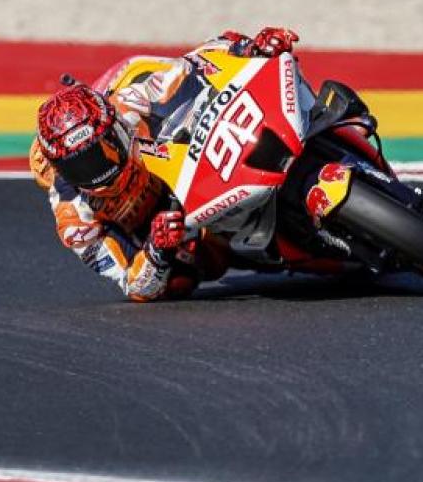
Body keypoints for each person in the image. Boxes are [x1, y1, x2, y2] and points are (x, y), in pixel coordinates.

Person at [29, 28, 300, 301]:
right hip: (172, 226)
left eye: (102, 153)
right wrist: (156, 251)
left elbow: (196, 62)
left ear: (115, 130)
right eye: (79, 167)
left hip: (189, 159)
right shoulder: (74, 220)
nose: (99, 173)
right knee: (181, 280)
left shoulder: (130, 102)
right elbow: (132, 285)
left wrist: (247, 48)